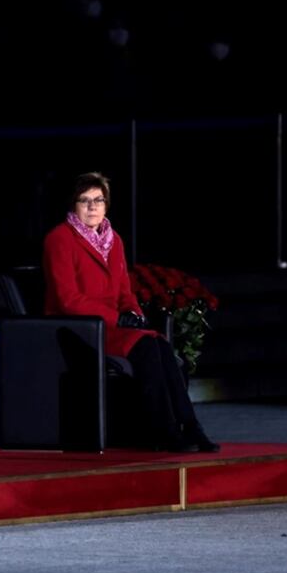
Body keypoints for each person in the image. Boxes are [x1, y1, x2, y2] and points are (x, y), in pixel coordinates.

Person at [42, 172, 219, 453]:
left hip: (112, 326)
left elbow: (125, 291)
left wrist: (133, 313)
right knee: (147, 347)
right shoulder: (59, 239)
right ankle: (165, 432)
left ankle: (190, 425)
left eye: (98, 200)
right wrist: (117, 318)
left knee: (160, 343)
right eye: (84, 201)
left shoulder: (115, 241)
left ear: (107, 204)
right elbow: (68, 299)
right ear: (73, 205)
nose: (92, 207)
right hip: (77, 328)